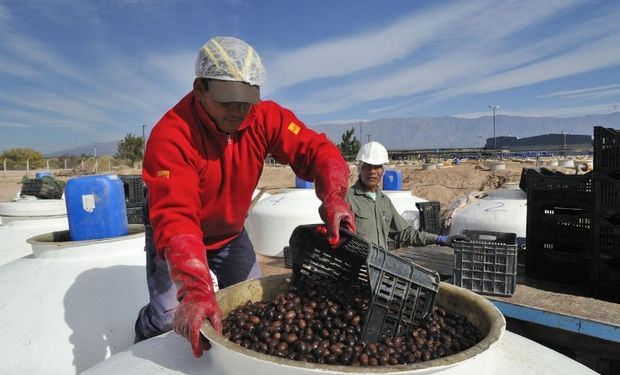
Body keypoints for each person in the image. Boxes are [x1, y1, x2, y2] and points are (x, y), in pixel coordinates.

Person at [134, 36, 356, 357]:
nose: (238, 111)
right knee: (169, 316)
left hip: (229, 232)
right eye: (227, 101)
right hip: (179, 232)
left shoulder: (265, 118)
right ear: (200, 89)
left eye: (246, 100)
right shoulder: (171, 136)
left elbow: (318, 151)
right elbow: (177, 217)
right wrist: (195, 290)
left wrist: (334, 195)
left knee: (251, 301)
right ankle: (141, 336)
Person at [346, 142, 466, 250]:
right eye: (367, 166)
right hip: (355, 269)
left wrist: (438, 239)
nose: (372, 171)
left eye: (376, 167)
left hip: (377, 267)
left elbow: (403, 233)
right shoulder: (348, 199)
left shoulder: (384, 201)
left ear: (382, 171)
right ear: (359, 169)